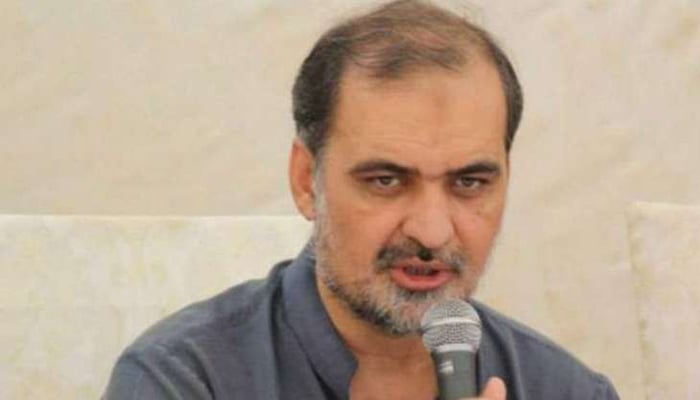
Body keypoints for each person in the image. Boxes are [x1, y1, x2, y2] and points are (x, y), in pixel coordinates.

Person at [103, 1, 619, 399]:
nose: (432, 231)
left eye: (469, 183)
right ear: (306, 181)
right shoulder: (183, 381)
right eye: (387, 181)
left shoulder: (566, 390)